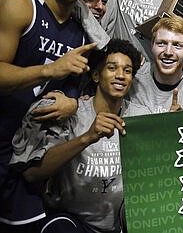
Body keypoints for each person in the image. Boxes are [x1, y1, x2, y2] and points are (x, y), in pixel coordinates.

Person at [0, 0, 95, 232]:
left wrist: (72, 103)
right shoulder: (20, 5)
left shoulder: (83, 32)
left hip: (23, 159)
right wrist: (51, 69)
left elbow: (71, 90)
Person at [9, 39, 150, 233]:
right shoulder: (73, 113)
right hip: (72, 221)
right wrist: (88, 137)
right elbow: (32, 173)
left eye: (127, 71)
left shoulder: (140, 117)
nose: (120, 75)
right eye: (112, 68)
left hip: (118, 225)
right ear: (96, 75)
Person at [130, 15, 183, 113]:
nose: (168, 52)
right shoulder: (133, 79)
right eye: (161, 43)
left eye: (177, 45)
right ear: (152, 44)